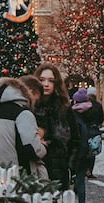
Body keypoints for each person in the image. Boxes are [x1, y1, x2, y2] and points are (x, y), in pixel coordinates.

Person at [0, 76, 46, 170]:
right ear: (30, 92)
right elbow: (33, 150)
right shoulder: (23, 114)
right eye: (37, 99)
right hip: (20, 175)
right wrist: (42, 145)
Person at [33, 62, 80, 190]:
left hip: (59, 168)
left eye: (51, 80)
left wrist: (70, 164)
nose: (46, 84)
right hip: (35, 166)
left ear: (56, 83)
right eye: (42, 80)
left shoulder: (64, 107)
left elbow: (75, 140)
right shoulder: (31, 107)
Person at [71, 88, 99, 203]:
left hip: (77, 149)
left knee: (72, 176)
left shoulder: (74, 113)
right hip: (87, 147)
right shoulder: (94, 109)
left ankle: (70, 202)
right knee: (81, 178)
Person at [85, 86, 103, 179]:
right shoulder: (98, 105)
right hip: (95, 130)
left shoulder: (85, 105)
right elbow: (101, 119)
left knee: (85, 150)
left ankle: (84, 169)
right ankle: (89, 170)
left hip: (85, 130)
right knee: (93, 151)